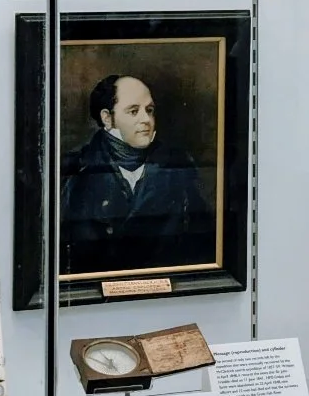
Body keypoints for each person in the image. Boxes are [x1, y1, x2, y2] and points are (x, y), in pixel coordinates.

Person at [60, 71, 214, 278]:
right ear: (107, 118)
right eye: (134, 111)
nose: (146, 119)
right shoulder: (73, 171)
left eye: (149, 110)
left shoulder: (178, 168)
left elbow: (202, 243)